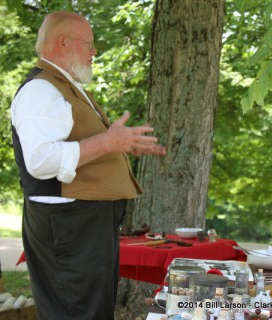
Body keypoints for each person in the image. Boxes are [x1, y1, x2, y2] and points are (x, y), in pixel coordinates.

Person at [10, 11, 166, 320]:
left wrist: (117, 147)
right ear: (64, 42)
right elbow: (41, 161)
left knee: (90, 311)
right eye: (89, 43)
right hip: (68, 225)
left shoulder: (62, 86)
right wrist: (108, 143)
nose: (94, 52)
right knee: (76, 312)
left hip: (79, 223)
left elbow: (75, 147)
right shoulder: (41, 90)